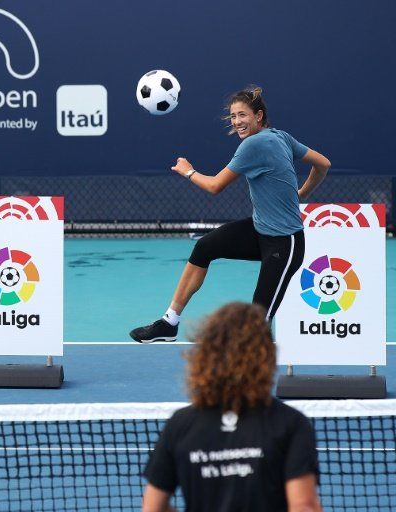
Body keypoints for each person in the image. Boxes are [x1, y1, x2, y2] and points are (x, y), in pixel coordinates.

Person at [130, 86, 330, 343]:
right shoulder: (281, 136)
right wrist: (301, 193)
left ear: (258, 116)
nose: (237, 122)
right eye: (233, 116)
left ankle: (254, 378)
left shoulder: (254, 145)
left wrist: (188, 172)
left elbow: (215, 186)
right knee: (204, 248)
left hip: (285, 242)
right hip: (260, 230)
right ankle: (169, 322)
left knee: (257, 325)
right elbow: (323, 163)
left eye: (242, 115)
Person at [142, 302, 321, 512]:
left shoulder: (180, 425)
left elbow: (152, 508)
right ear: (265, 356)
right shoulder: (291, 423)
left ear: (206, 355)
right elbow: (303, 506)